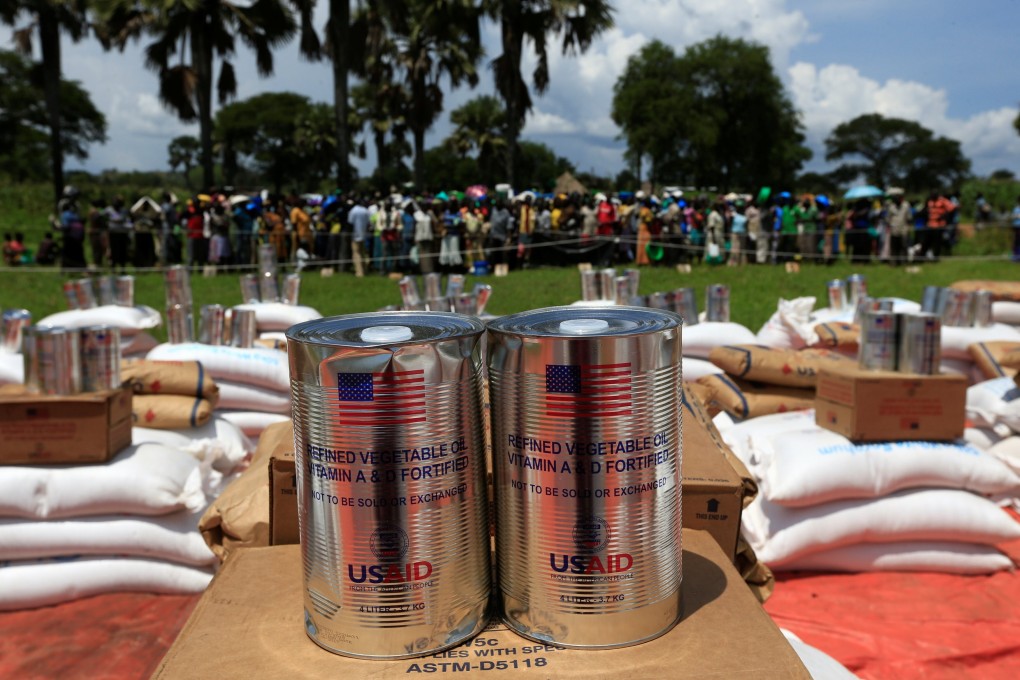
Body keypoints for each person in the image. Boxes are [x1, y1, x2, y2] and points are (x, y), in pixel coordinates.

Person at [924, 190, 955, 261]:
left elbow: (952, 208)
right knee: (926, 241)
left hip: (939, 225)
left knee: (937, 242)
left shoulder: (943, 200)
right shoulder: (929, 201)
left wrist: (945, 217)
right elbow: (925, 210)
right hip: (930, 225)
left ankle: (936, 258)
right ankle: (922, 257)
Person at [885, 189, 912, 265]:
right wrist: (890, 224)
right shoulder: (891, 207)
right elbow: (888, 218)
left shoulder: (906, 206)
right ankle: (894, 262)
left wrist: (908, 227)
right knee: (894, 247)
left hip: (904, 230)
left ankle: (904, 262)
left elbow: (909, 218)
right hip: (894, 230)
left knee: (903, 247)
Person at [106, 196, 133, 272]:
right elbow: (102, 215)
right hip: (113, 233)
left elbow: (128, 220)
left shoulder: (124, 210)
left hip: (123, 233)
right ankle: (113, 267)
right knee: (114, 250)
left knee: (123, 251)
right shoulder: (109, 210)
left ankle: (122, 267)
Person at [348, 199, 370, 277]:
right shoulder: (365, 211)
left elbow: (350, 222)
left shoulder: (353, 211)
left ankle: (359, 272)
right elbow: (368, 223)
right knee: (363, 253)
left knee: (356, 254)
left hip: (355, 234)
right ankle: (365, 269)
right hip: (364, 235)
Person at [87, 198, 109, 267]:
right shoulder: (95, 212)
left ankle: (99, 265)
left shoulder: (96, 211)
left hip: (97, 233)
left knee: (100, 251)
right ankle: (97, 265)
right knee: (97, 251)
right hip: (96, 233)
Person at [729, 201, 748, 266]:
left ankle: (741, 262)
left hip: (741, 233)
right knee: (734, 247)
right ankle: (733, 262)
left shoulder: (744, 215)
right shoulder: (734, 215)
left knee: (741, 248)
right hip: (735, 232)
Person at [1012, 196, 1020, 262]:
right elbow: (1014, 216)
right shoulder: (1016, 209)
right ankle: (1016, 256)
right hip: (1017, 227)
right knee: (1017, 242)